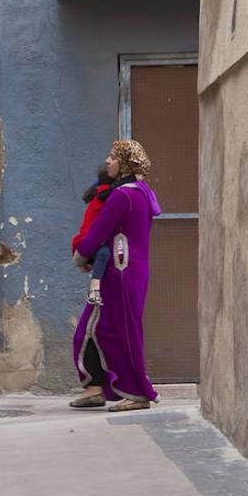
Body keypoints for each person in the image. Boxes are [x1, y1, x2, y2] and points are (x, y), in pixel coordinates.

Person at [69, 140, 161, 412]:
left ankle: (135, 391)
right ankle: (97, 387)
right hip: (130, 271)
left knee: (119, 333)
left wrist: (81, 254)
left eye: (112, 157)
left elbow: (99, 230)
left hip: (120, 273)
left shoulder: (122, 196)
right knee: (97, 329)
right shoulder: (142, 192)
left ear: (124, 164)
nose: (107, 162)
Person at [73, 164, 113, 306]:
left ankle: (92, 271)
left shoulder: (99, 190)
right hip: (87, 243)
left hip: (84, 242)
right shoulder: (106, 194)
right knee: (104, 253)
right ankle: (94, 288)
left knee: (104, 253)